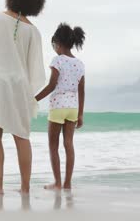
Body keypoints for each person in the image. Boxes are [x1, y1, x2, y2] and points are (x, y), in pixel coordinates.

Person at [0, 0, 46, 194]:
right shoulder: (33, 31)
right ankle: (25, 187)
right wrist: (30, 93)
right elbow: (35, 67)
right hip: (20, 84)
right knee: (22, 135)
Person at [35, 23, 86, 190]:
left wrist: (33, 99)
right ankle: (67, 183)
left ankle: (57, 183)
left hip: (58, 106)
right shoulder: (79, 64)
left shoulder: (57, 60)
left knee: (53, 146)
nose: (54, 48)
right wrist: (80, 114)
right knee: (69, 144)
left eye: (53, 44)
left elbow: (51, 85)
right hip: (73, 107)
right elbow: (81, 90)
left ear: (59, 43)